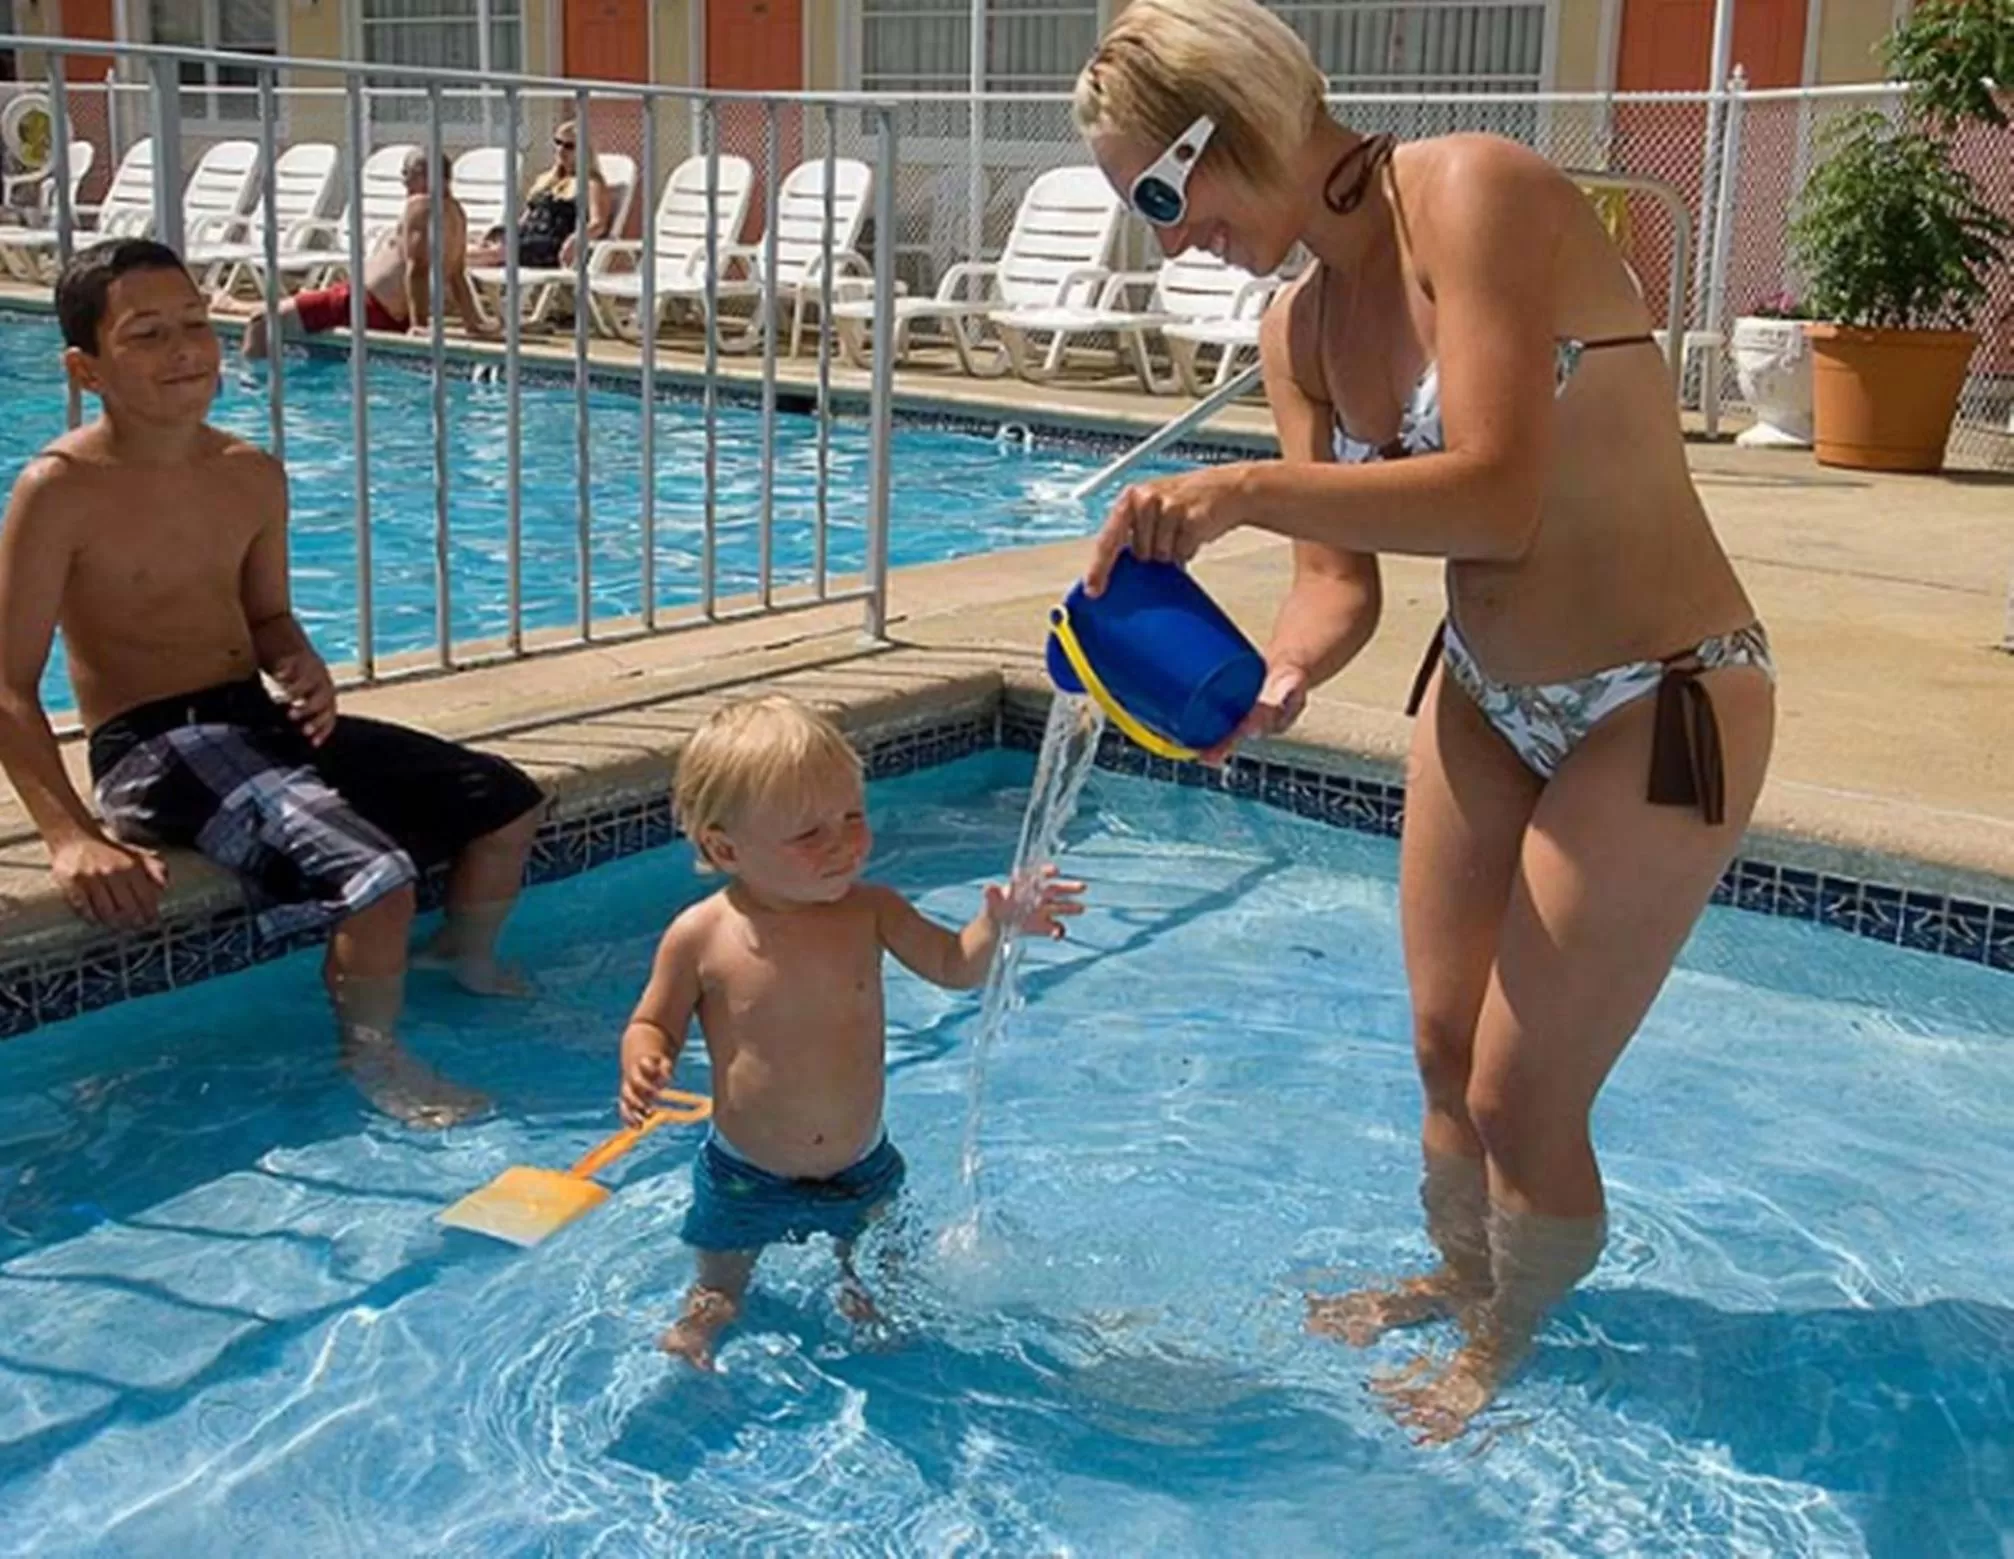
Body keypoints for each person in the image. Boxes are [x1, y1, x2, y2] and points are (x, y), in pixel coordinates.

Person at [1071, 0, 1777, 1442]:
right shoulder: (1302, 327)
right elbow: (1338, 588)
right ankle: (1465, 1277)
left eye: (1160, 192)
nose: (1164, 237)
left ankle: (1503, 1341)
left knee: (1523, 1092)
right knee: (1439, 1045)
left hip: (1666, 688)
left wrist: (1243, 492)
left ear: (1236, 121)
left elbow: (1494, 490)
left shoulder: (1473, 189)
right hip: (1482, 691)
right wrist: (1269, 679)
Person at [0, 239, 545, 1126]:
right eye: (145, 334)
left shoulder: (248, 474)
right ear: (84, 367)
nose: (183, 348)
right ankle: (375, 1057)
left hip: (253, 724)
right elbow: (10, 686)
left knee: (506, 800)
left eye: (193, 323)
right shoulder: (59, 490)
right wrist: (68, 836)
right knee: (375, 877)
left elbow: (266, 619)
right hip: (153, 745)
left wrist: (300, 661)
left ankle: (460, 957)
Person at [617, 693, 1084, 1370]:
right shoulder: (701, 935)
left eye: (853, 816)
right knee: (720, 1286)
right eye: (809, 833)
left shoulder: (872, 910)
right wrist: (646, 1059)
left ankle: (877, 1327)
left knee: (881, 1288)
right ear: (725, 847)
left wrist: (998, 924)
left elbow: (955, 966)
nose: (843, 841)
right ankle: (701, 1328)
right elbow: (650, 1019)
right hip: (745, 1170)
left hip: (860, 1164)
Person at [238, 149, 497, 360]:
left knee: (261, 322)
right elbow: (457, 276)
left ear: (421, 174)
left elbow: (416, 267)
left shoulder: (420, 205)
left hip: (361, 303)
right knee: (313, 338)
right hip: (384, 311)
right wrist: (474, 323)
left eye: (406, 174)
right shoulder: (457, 213)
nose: (403, 182)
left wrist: (419, 325)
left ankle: (254, 396)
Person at [466, 118, 613, 271]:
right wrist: (498, 233)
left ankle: (446, 267)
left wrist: (575, 239)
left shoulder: (591, 183)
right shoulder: (546, 180)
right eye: (557, 142)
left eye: (569, 146)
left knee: (490, 253)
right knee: (472, 242)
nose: (560, 150)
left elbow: (598, 224)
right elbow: (525, 220)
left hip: (551, 245)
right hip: (526, 237)